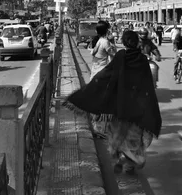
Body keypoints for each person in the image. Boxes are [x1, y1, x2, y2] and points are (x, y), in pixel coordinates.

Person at [65, 30, 162, 174]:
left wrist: (93, 86)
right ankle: (129, 162)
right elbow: (147, 84)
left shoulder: (121, 56)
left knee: (117, 134)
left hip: (121, 104)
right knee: (133, 137)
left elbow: (108, 75)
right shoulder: (142, 59)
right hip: (138, 106)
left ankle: (122, 159)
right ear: (137, 42)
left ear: (124, 42)